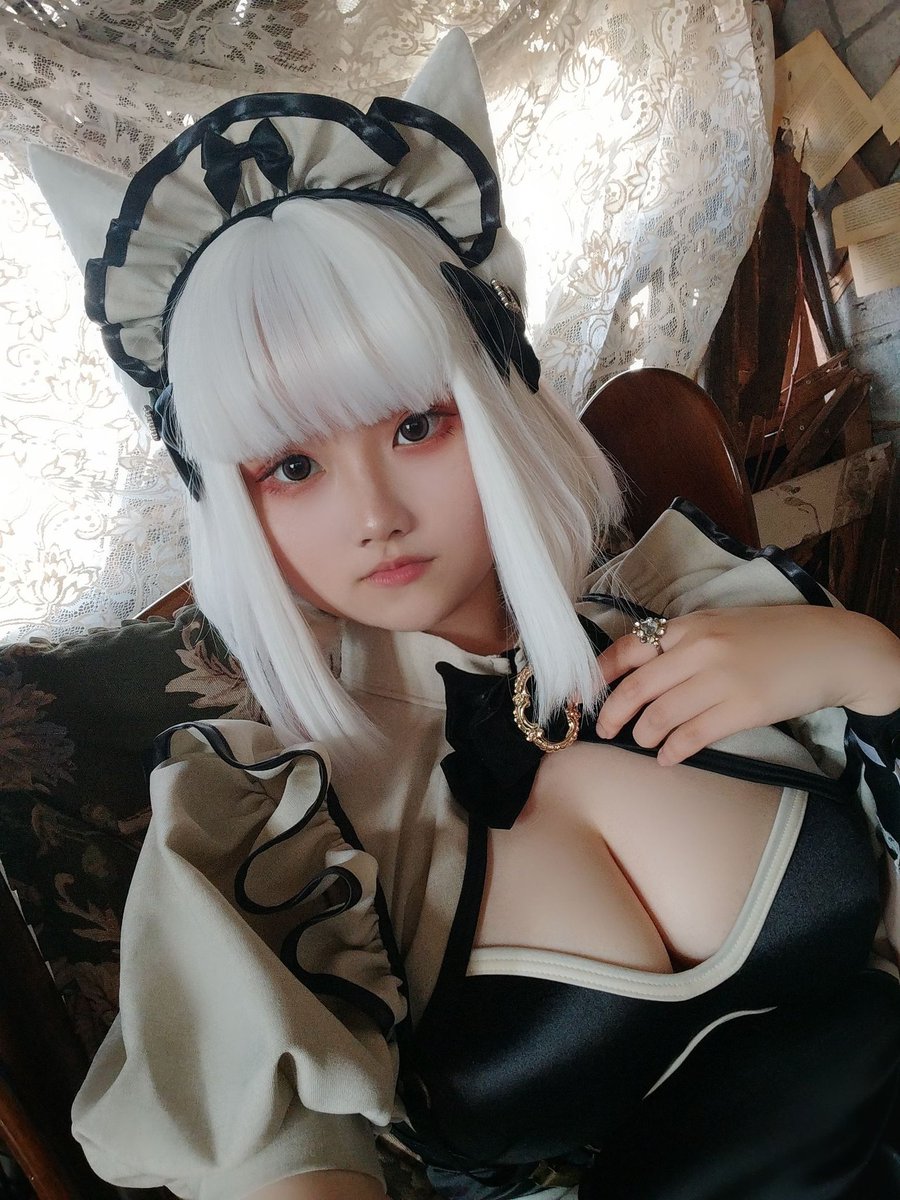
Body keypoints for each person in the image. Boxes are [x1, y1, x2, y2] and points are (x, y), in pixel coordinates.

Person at [65, 28, 900, 1200]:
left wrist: (866, 664)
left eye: (415, 426)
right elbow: (285, 1162)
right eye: (291, 467)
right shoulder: (262, 824)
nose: (374, 516)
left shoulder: (702, 597)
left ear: (499, 408)